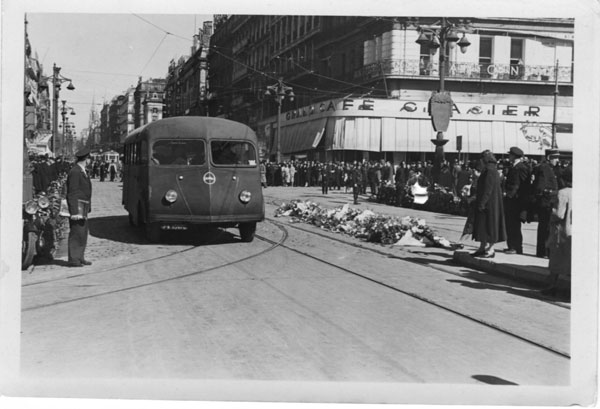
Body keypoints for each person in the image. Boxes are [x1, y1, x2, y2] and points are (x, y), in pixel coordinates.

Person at [540, 166, 572, 299]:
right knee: (570, 260)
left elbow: (558, 214)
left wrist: (551, 209)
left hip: (560, 231)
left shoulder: (562, 193)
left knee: (556, 259)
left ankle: (552, 286)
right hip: (572, 230)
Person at [470, 150, 506, 258]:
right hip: (488, 203)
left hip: (490, 204)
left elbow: (488, 189)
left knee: (490, 226)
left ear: (484, 159)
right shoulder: (489, 169)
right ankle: (482, 247)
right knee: (483, 226)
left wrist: (482, 203)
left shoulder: (490, 170)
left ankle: (490, 249)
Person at [66, 147, 93, 267]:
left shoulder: (81, 170)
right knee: (76, 233)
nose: (90, 161)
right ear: (86, 159)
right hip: (78, 207)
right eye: (89, 159)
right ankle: (74, 259)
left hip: (83, 206)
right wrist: (74, 211)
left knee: (82, 233)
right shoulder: (75, 171)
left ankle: (80, 256)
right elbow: (72, 192)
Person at [503, 146, 531, 254]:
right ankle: (511, 245)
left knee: (514, 225)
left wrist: (511, 194)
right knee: (510, 224)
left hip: (516, 201)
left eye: (510, 155)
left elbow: (522, 185)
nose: (509, 156)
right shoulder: (514, 167)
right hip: (511, 200)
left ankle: (516, 247)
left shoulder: (521, 168)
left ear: (514, 156)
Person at [531, 150, 559, 258]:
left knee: (545, 227)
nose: (557, 160)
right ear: (549, 157)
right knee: (545, 227)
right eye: (555, 158)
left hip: (547, 201)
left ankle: (543, 251)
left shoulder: (548, 168)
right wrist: (548, 194)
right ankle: (544, 252)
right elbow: (540, 187)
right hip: (546, 202)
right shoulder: (545, 168)